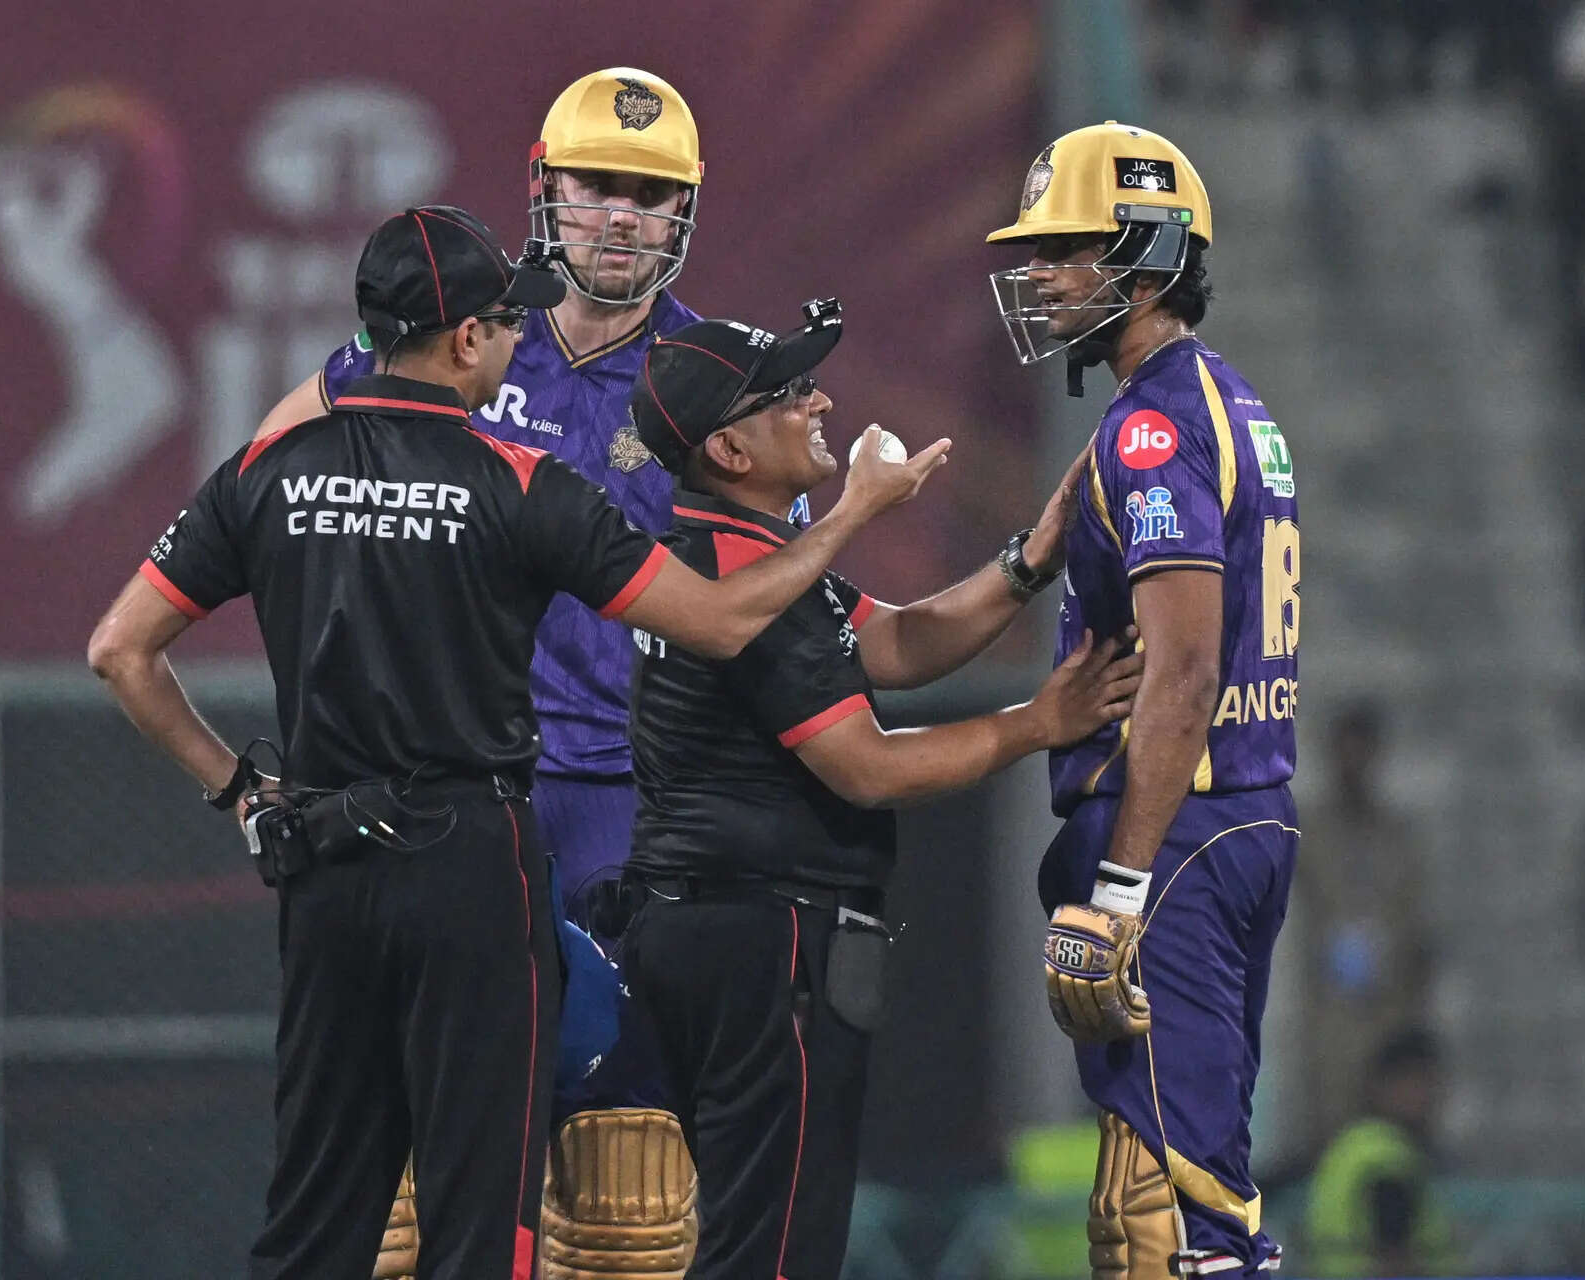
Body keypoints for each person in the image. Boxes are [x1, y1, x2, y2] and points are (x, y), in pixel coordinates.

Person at [85, 205, 945, 1280]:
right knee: (479, 1220)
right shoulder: (520, 480)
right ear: (465, 340)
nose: (511, 345)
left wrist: (241, 793)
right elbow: (721, 620)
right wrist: (853, 511)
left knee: (316, 1221)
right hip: (471, 863)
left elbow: (121, 651)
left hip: (322, 860)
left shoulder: (268, 468)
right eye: (504, 324)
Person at [247, 68, 717, 1279]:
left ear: (685, 212)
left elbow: (764, 601)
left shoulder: (717, 377)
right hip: (452, 802)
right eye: (599, 184)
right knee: (401, 1199)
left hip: (631, 803)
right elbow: (270, 463)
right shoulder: (459, 335)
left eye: (651, 195)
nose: (622, 217)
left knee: (624, 1195)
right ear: (546, 186)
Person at [615, 299, 1143, 1280]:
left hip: (718, 930)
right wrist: (1037, 722)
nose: (818, 400)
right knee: (775, 1247)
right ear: (729, 449)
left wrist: (1033, 556)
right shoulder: (747, 576)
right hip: (763, 939)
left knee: (755, 1231)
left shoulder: (740, 561)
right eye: (788, 393)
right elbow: (868, 766)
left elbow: (892, 643)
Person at [987, 122, 1302, 1278]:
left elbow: (1183, 671)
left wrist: (1120, 885)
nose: (1038, 275)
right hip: (1234, 814)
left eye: (1064, 247)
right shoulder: (1227, 400)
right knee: (1143, 1197)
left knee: (1185, 1214)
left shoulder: (1152, 426)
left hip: (1178, 831)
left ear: (1146, 256)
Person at [1291, 702, 1431, 1158]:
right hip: (1330, 1011)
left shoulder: (1397, 836)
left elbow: (1414, 920)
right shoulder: (1307, 832)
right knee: (1332, 1129)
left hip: (1387, 1006)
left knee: (1389, 1131)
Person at [1302, 1029, 1456, 1278]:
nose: (1431, 1096)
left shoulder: (1350, 1146)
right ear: (1384, 1086)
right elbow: (1394, 1262)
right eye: (1419, 1082)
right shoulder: (1388, 1157)